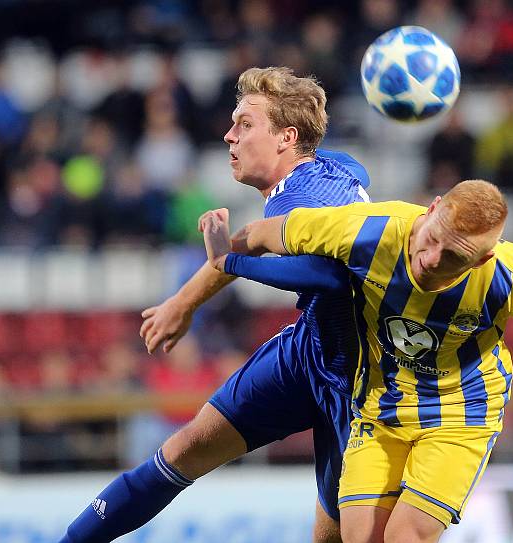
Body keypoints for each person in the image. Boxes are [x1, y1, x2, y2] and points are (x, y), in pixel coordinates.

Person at [200, 179, 513, 543]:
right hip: (381, 407)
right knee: (359, 537)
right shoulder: (369, 229)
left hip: (461, 415)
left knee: (405, 536)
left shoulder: (506, 273)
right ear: (430, 209)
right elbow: (269, 234)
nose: (432, 259)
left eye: (453, 257)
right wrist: (220, 260)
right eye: (434, 239)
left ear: (481, 259)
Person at [60, 66, 371, 543]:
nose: (229, 136)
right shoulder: (330, 169)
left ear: (286, 138)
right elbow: (354, 172)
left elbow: (325, 273)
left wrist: (231, 262)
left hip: (358, 378)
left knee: (335, 536)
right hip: (311, 347)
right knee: (184, 448)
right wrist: (183, 303)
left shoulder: (302, 198)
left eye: (245, 125)